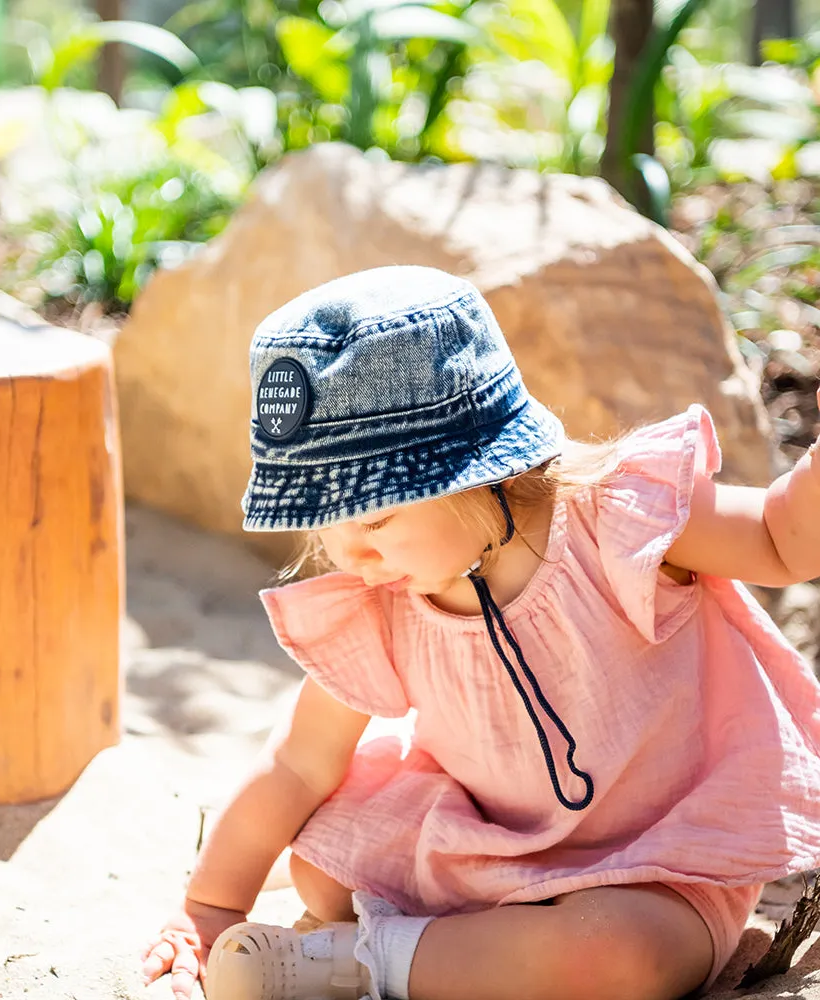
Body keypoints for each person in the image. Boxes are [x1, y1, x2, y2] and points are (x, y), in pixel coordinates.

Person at [141, 265, 820, 1000]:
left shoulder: (621, 518)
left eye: (374, 517)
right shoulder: (387, 596)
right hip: (484, 842)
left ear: (481, 474)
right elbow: (301, 765)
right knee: (319, 867)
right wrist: (208, 909)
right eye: (325, 527)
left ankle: (367, 961)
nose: (350, 555)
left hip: (658, 860)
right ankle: (416, 946)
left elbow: (782, 542)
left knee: (620, 961)